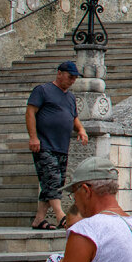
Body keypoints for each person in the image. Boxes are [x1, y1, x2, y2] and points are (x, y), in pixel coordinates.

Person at [27, 61, 89, 230]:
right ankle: (61, 215)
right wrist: (33, 137)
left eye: (75, 78)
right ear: (59, 73)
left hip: (62, 146)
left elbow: (74, 117)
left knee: (54, 181)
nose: (72, 81)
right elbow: (30, 112)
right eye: (70, 77)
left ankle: (39, 219)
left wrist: (81, 129)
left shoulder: (69, 97)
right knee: (52, 179)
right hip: (44, 144)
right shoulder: (43, 91)